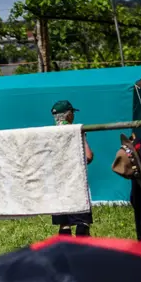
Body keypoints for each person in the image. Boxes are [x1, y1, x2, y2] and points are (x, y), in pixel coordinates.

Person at [49, 101, 94, 237]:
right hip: (76, 182)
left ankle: (65, 254)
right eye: (72, 113)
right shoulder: (76, 130)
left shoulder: (48, 133)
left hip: (58, 184)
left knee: (64, 224)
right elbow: (89, 156)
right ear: (68, 115)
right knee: (82, 222)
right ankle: (83, 254)